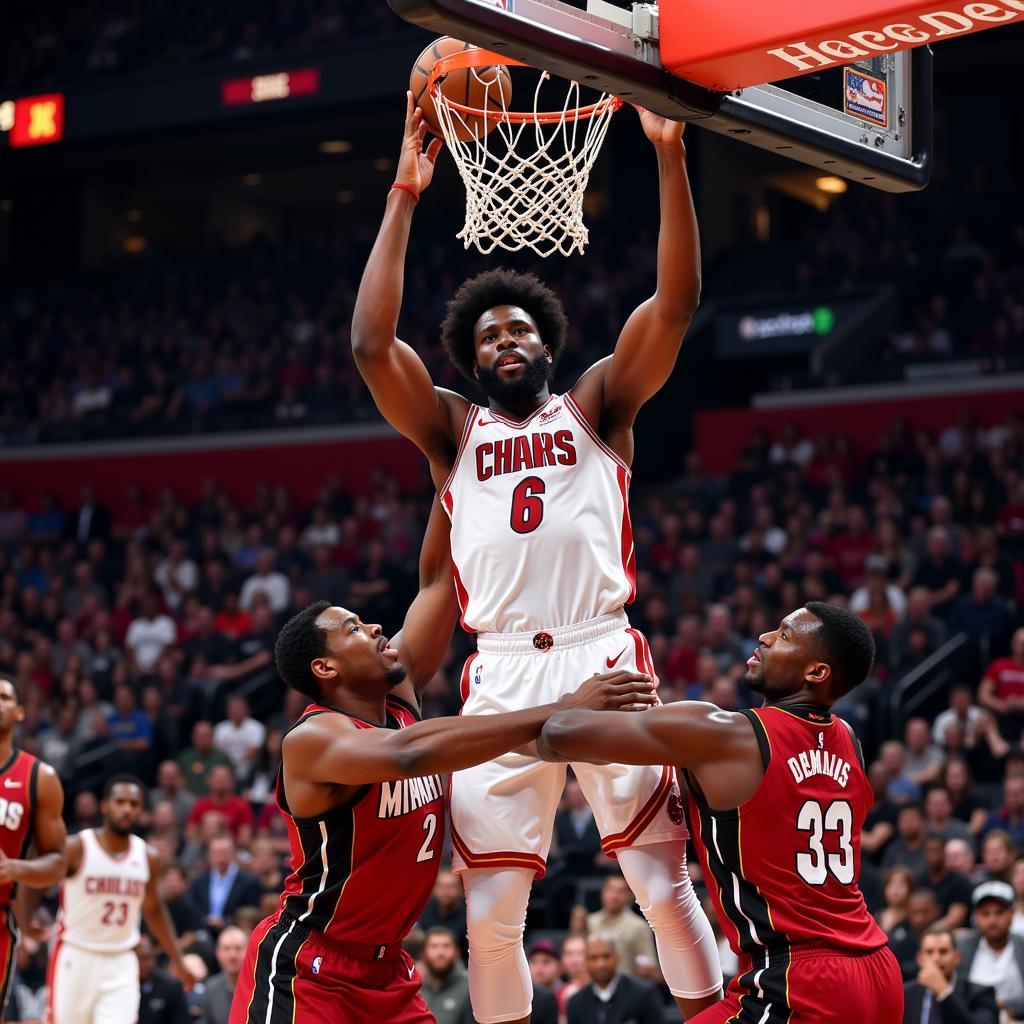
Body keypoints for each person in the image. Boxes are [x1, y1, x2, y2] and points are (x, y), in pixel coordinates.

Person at [352, 94, 720, 1023]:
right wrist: (404, 192)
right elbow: (367, 344)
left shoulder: (598, 405)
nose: (505, 339)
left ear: (547, 344)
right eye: (488, 334)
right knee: (490, 914)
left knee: (658, 879)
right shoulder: (449, 430)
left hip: (603, 648)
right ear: (470, 360)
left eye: (519, 328)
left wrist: (670, 156)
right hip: (503, 664)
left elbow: (675, 306)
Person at [229, 503, 656, 1024]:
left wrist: (452, 469)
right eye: (355, 630)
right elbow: (412, 753)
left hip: (389, 971)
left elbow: (436, 582)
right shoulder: (314, 739)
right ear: (326, 667)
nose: (376, 626)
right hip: (308, 966)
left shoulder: (396, 697)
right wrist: (564, 706)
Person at [539, 603, 905, 1022]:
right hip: (876, 970)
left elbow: (558, 736)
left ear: (816, 673)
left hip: (799, 979)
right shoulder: (849, 739)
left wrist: (579, 701)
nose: (765, 637)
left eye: (784, 635)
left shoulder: (727, 734)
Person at [48, 775, 195, 1024]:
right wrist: (26, 919)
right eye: (120, 802)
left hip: (121, 959)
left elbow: (154, 909)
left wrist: (178, 960)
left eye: (134, 804)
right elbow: (39, 879)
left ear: (141, 811)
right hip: (77, 954)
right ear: (105, 805)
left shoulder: (148, 856)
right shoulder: (78, 846)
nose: (127, 808)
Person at [0, 677, 67, 1021]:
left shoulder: (38, 777)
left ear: (20, 711)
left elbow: (57, 861)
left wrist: (15, 869)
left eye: (3, 696)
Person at [902, 926, 998, 1024]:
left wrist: (944, 992)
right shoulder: (905, 994)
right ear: (920, 959)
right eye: (929, 952)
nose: (936, 958)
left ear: (957, 957)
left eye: (943, 952)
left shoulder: (981, 994)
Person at [958, 882, 1024, 1023]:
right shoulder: (962, 948)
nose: (992, 920)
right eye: (985, 913)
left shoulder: (1022, 945)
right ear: (976, 916)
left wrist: (1005, 1004)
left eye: (999, 912)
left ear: (1012, 914)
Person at [566, 935, 664, 1024]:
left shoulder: (644, 993)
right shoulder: (576, 1002)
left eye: (606, 956)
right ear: (586, 962)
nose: (600, 964)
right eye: (593, 958)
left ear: (617, 958)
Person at [584, 875, 657, 977]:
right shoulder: (590, 921)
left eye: (620, 891)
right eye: (610, 890)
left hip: (625, 986)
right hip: (595, 984)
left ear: (630, 896)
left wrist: (645, 969)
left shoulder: (638, 926)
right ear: (603, 893)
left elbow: (648, 962)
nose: (614, 896)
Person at [419, 927, 471, 1024]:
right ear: (424, 953)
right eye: (434, 946)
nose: (440, 953)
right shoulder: (416, 989)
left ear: (457, 952)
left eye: (446, 946)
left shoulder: (471, 988)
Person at [137, 934, 192, 1024]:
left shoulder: (171, 987)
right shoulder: (117, 985)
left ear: (154, 957)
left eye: (145, 958)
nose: (140, 964)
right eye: (136, 959)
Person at [197, 926, 247, 1024]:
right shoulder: (211, 989)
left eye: (238, 948)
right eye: (226, 949)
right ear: (218, 953)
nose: (232, 956)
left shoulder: (263, 987)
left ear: (249, 951)